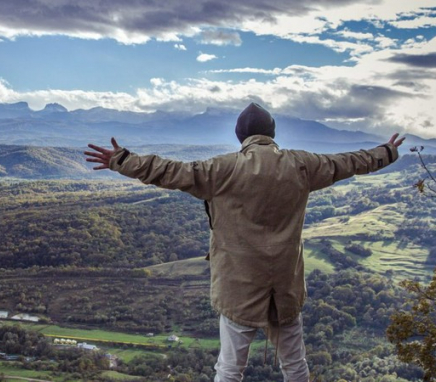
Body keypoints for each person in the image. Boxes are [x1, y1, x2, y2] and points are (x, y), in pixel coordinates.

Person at [84, 103, 405, 382]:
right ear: (273, 133)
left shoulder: (222, 169)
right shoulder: (303, 165)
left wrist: (122, 160)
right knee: (295, 366)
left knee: (229, 369)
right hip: (285, 287)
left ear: (240, 136)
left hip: (238, 287)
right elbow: (348, 162)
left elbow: (171, 171)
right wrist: (386, 152)